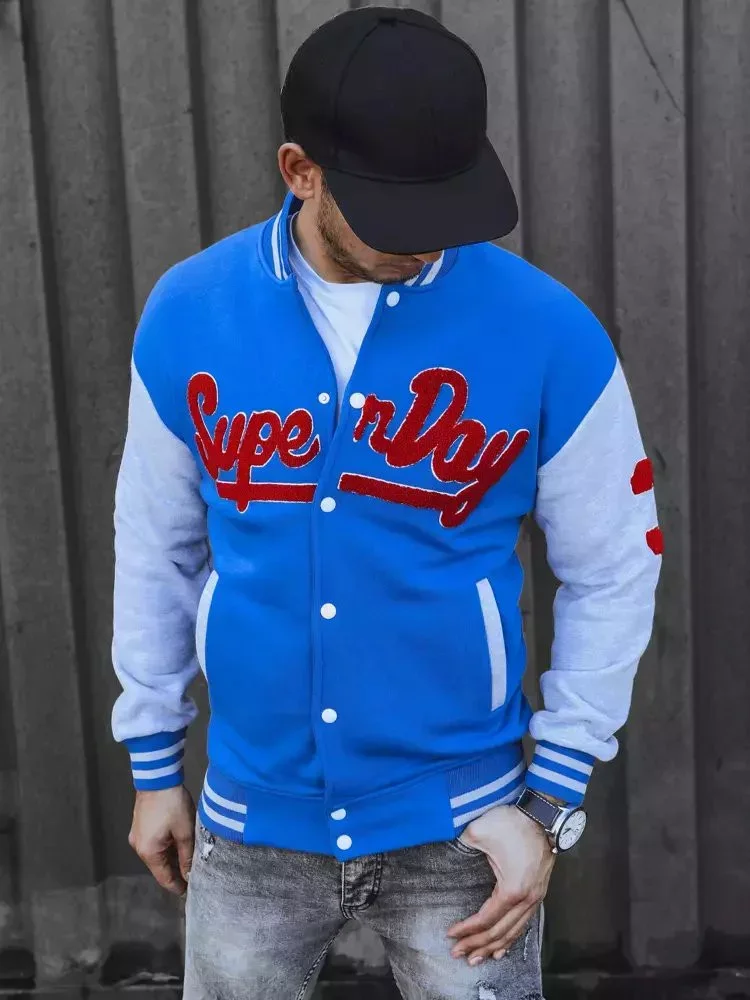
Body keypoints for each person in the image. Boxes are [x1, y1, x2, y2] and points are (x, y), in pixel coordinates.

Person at [111, 7, 662, 999]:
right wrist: (155, 765)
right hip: (251, 822)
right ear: (300, 171)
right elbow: (157, 545)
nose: (428, 239)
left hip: (465, 826)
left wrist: (550, 804)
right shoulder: (189, 313)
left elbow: (615, 564)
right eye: (396, 210)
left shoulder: (549, 332)